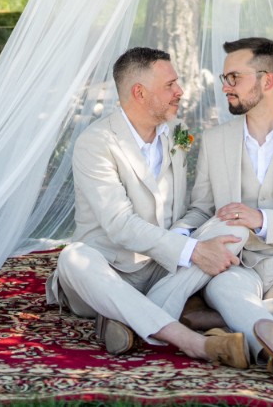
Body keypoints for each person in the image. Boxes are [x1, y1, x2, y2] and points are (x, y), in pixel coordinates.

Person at [46, 47, 248, 369]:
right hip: (107, 271)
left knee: (235, 226)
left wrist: (186, 237)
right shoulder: (96, 143)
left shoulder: (175, 134)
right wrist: (194, 252)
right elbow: (120, 225)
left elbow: (194, 209)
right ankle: (192, 342)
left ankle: (127, 321)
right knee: (73, 258)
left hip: (161, 269)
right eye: (170, 85)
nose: (180, 92)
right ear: (139, 92)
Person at [152, 37, 273, 383]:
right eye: (225, 79)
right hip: (232, 265)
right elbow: (201, 208)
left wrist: (262, 219)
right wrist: (178, 238)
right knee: (226, 291)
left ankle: (215, 319)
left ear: (267, 81)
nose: (225, 87)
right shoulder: (215, 139)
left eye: (233, 78)